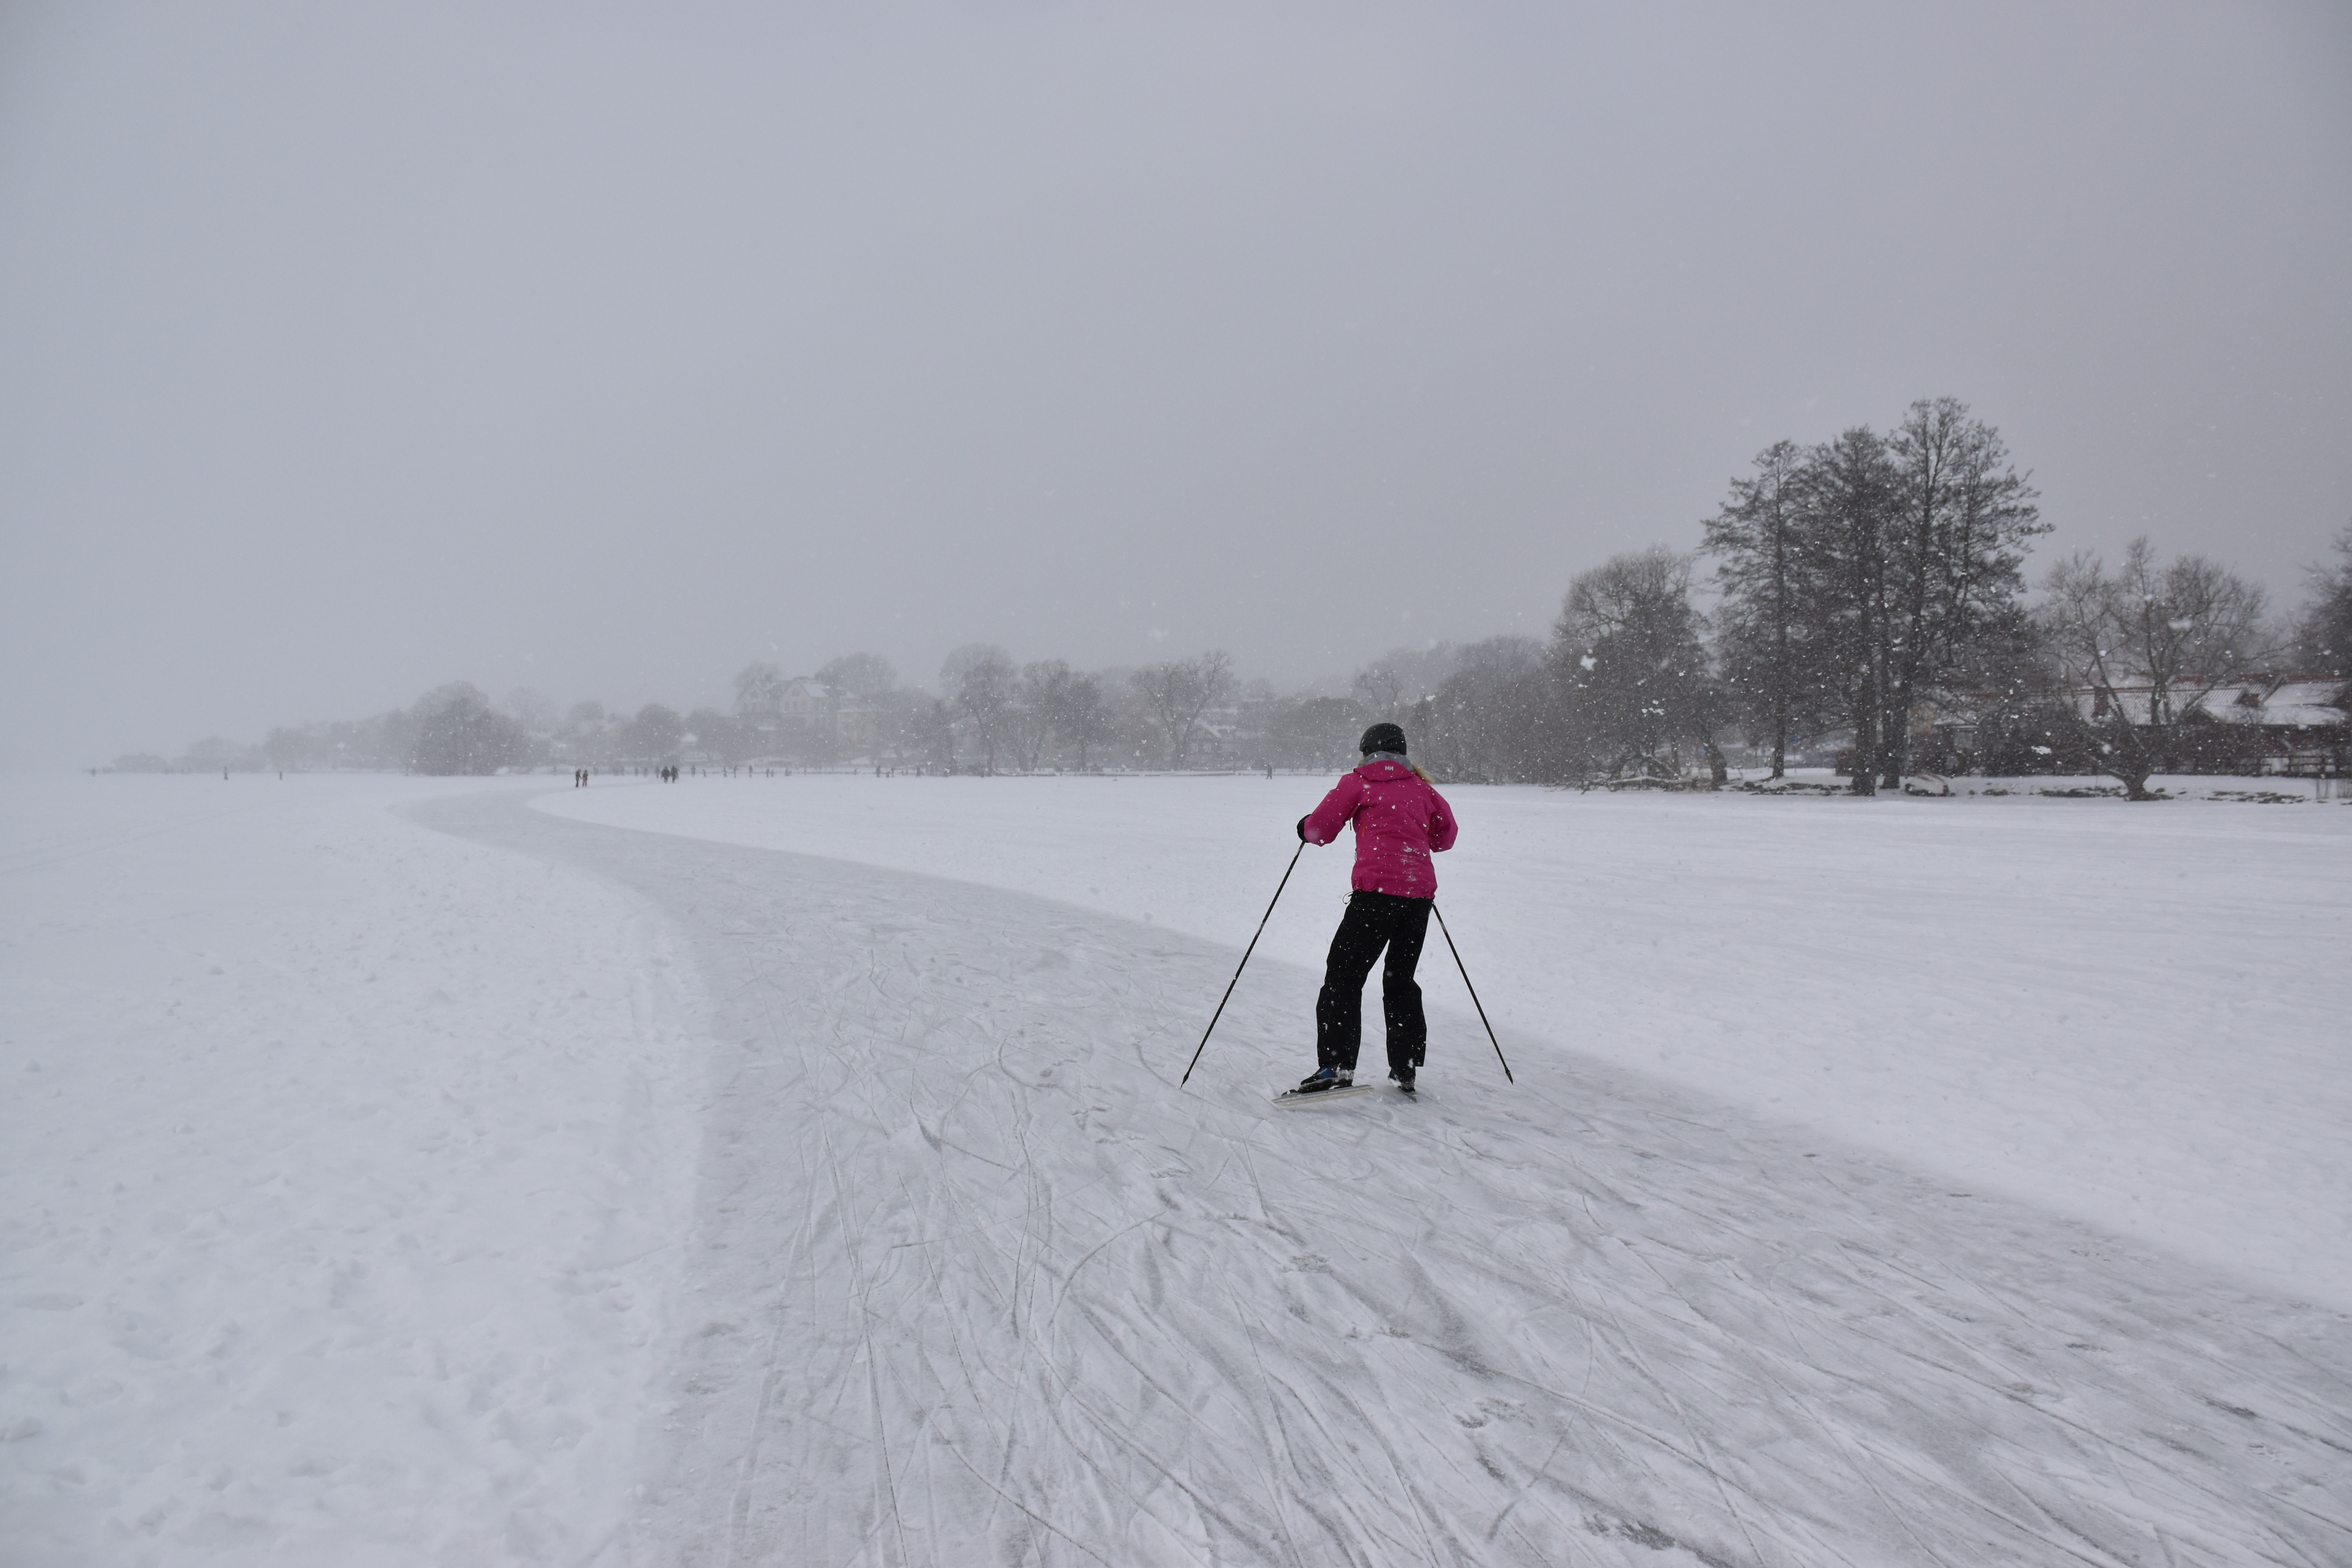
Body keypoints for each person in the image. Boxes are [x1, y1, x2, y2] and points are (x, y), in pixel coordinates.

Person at [1291, 722, 1457, 1096]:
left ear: (1367, 752)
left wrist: (1304, 828)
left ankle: (1336, 1065)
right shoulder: (1421, 787)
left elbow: (1321, 830)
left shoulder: (1359, 783)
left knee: (1344, 976)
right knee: (1400, 981)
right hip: (1418, 900)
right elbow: (1445, 837)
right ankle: (1406, 1066)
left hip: (1376, 897)